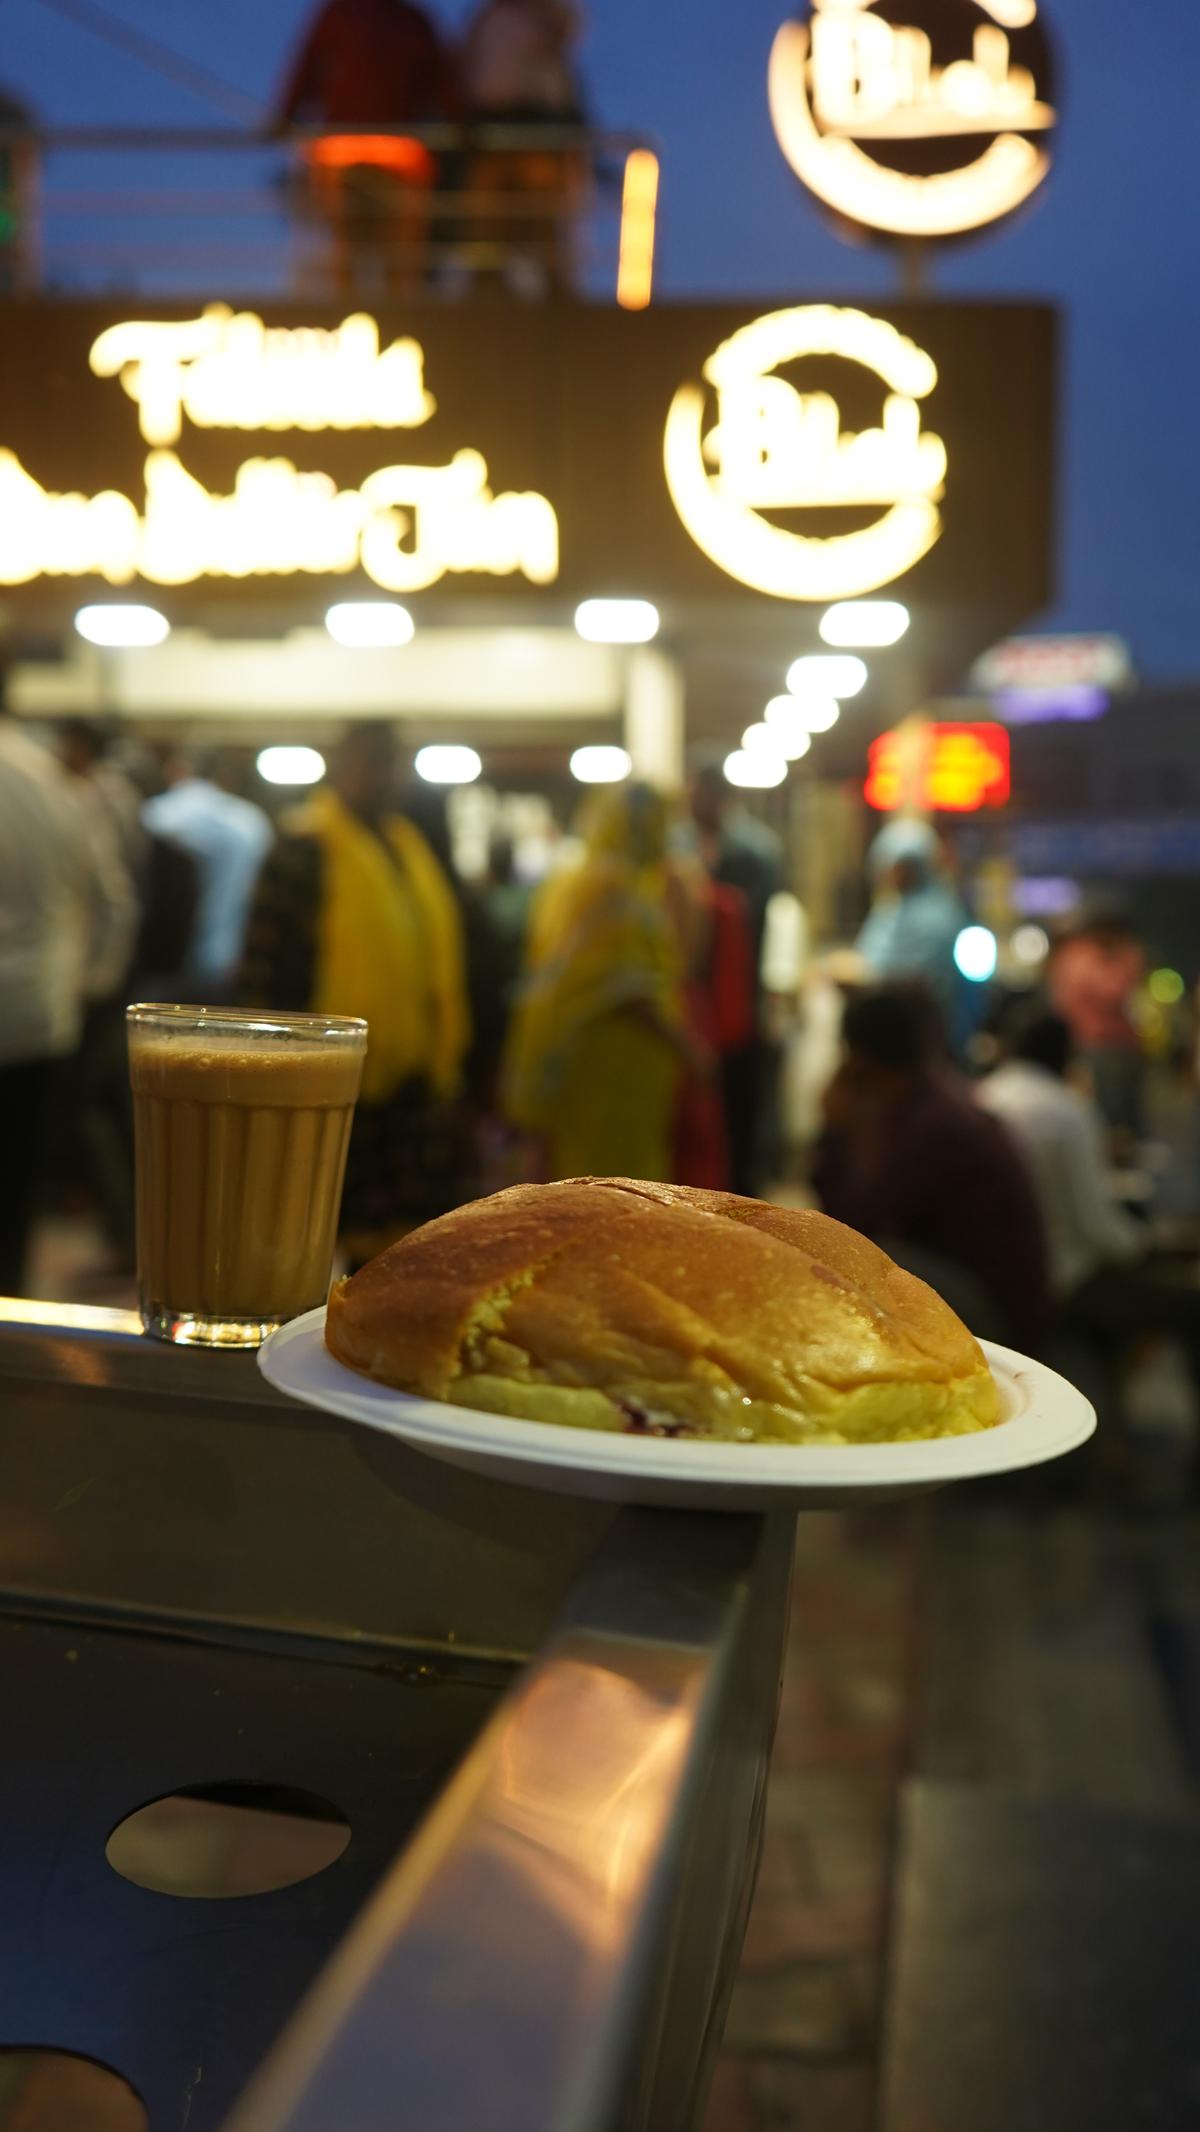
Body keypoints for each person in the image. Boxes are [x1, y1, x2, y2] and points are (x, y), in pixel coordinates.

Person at [238, 723, 470, 1256]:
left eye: (391, 765)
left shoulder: (407, 847)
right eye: (371, 763)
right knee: (314, 1237)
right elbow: (265, 973)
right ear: (342, 767)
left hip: (409, 1080)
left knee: (400, 1245)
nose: (382, 778)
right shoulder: (304, 848)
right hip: (330, 1078)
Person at [813, 985, 1050, 1350]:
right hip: (1005, 1300)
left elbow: (850, 1226)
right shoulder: (934, 1102)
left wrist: (834, 1133)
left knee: (847, 1263)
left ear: (858, 1057)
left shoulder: (930, 1125)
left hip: (997, 1320)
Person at [504, 782, 703, 1182]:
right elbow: (625, 989)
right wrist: (689, 1048)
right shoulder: (611, 888)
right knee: (612, 1195)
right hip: (609, 1073)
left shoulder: (584, 880)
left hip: (604, 1069)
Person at [0, 709, 135, 1294]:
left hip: (39, 1006)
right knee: (15, 1184)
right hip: (39, 1014)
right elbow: (115, 904)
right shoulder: (53, 782)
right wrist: (86, 986)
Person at [276, 0, 460, 293]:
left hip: (351, 149)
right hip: (391, 151)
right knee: (395, 251)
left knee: (348, 245)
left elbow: (306, 69)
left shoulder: (340, 14)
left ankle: (353, 309)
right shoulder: (413, 21)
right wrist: (458, 126)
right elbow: (443, 88)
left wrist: (283, 117)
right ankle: (395, 315)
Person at [689, 757, 784, 1196]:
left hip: (734, 997)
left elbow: (759, 934)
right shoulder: (685, 847)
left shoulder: (751, 851)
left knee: (735, 1112)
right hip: (708, 1004)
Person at [460, 0, 586, 289]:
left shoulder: (542, 17)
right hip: (490, 133)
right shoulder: (488, 20)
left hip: (534, 131)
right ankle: (487, 284)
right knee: (488, 221)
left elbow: (565, 34)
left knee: (540, 220)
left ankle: (554, 289)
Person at [142, 751, 272, 999]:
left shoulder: (158, 813)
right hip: (226, 957)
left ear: (178, 770)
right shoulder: (251, 822)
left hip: (163, 961)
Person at [856, 818, 967, 1028]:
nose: (895, 875)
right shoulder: (890, 911)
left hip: (924, 1032)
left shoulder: (941, 917)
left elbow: (918, 980)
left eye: (904, 867)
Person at [1048, 912, 1147, 1143]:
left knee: (1122, 1111)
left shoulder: (1121, 954)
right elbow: (1113, 992)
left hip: (1120, 1044)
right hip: (1089, 1044)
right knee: (1099, 1111)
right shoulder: (1080, 956)